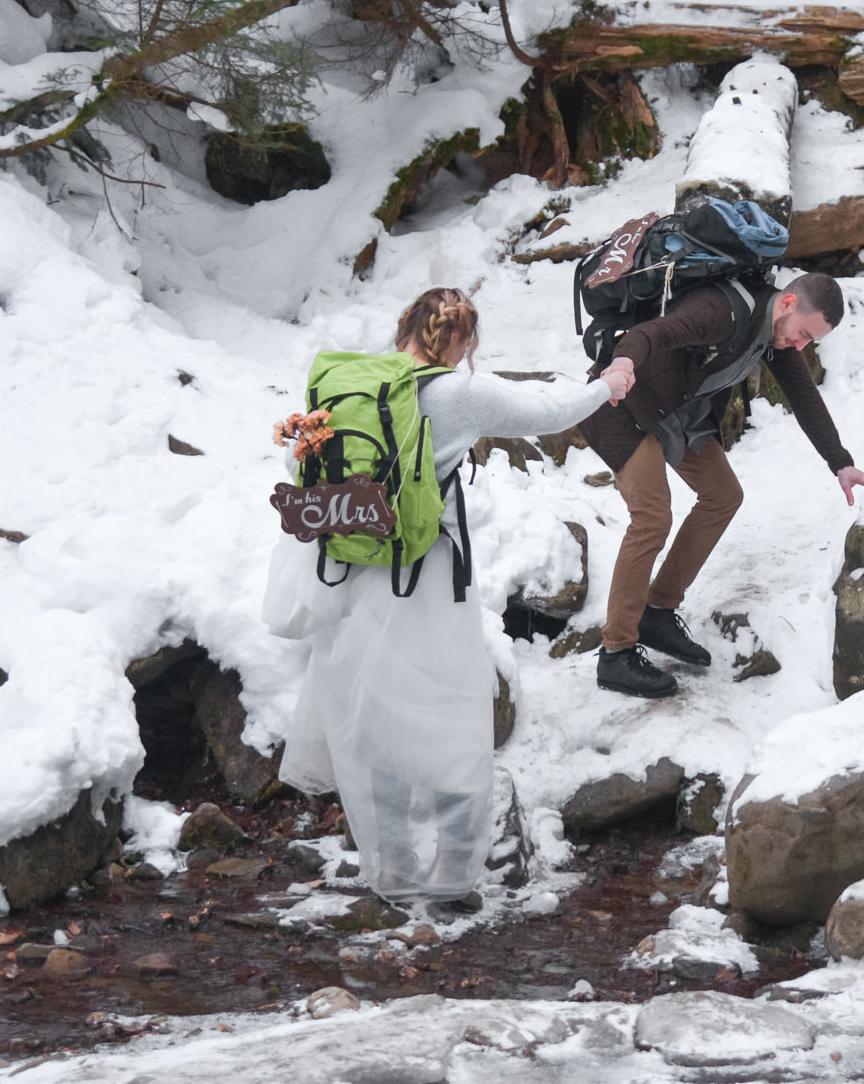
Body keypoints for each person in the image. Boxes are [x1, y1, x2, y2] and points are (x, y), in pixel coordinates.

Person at [263, 288, 635, 906]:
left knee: (374, 721)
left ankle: (392, 870)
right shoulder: (455, 394)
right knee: (453, 718)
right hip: (425, 579)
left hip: (355, 576)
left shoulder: (348, 386)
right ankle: (454, 878)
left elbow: (302, 461)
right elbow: (546, 411)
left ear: (404, 326)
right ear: (461, 343)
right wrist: (608, 383)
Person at [580, 271, 864, 698]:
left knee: (724, 495)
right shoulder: (721, 313)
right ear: (787, 303)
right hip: (621, 406)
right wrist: (624, 362)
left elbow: (803, 395)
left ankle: (657, 611)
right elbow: (649, 333)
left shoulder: (772, 334)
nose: (801, 346)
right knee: (652, 518)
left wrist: (841, 463)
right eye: (802, 335)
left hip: (673, 416)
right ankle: (616, 654)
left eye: (810, 342)